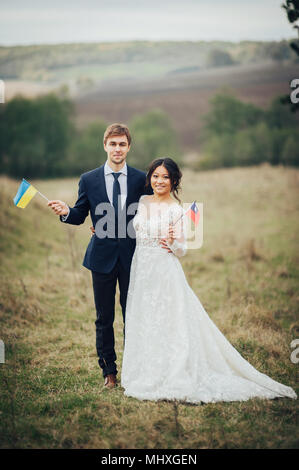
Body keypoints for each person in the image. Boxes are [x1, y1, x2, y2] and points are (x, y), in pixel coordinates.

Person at [120, 157, 297, 403]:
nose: (159, 181)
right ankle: (144, 370)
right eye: (155, 176)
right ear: (149, 178)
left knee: (168, 321)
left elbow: (183, 250)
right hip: (141, 271)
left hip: (164, 271)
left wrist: (173, 242)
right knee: (145, 319)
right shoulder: (142, 201)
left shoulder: (177, 210)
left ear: (173, 181)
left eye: (165, 177)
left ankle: (172, 372)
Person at [48, 123, 153, 389]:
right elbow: (80, 214)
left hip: (133, 257)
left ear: (129, 147)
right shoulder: (89, 179)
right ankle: (109, 373)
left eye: (122, 144)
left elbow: (154, 212)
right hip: (102, 258)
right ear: (105, 145)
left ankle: (135, 369)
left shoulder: (142, 179)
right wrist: (65, 211)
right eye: (113, 144)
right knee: (104, 317)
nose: (117, 149)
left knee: (134, 315)